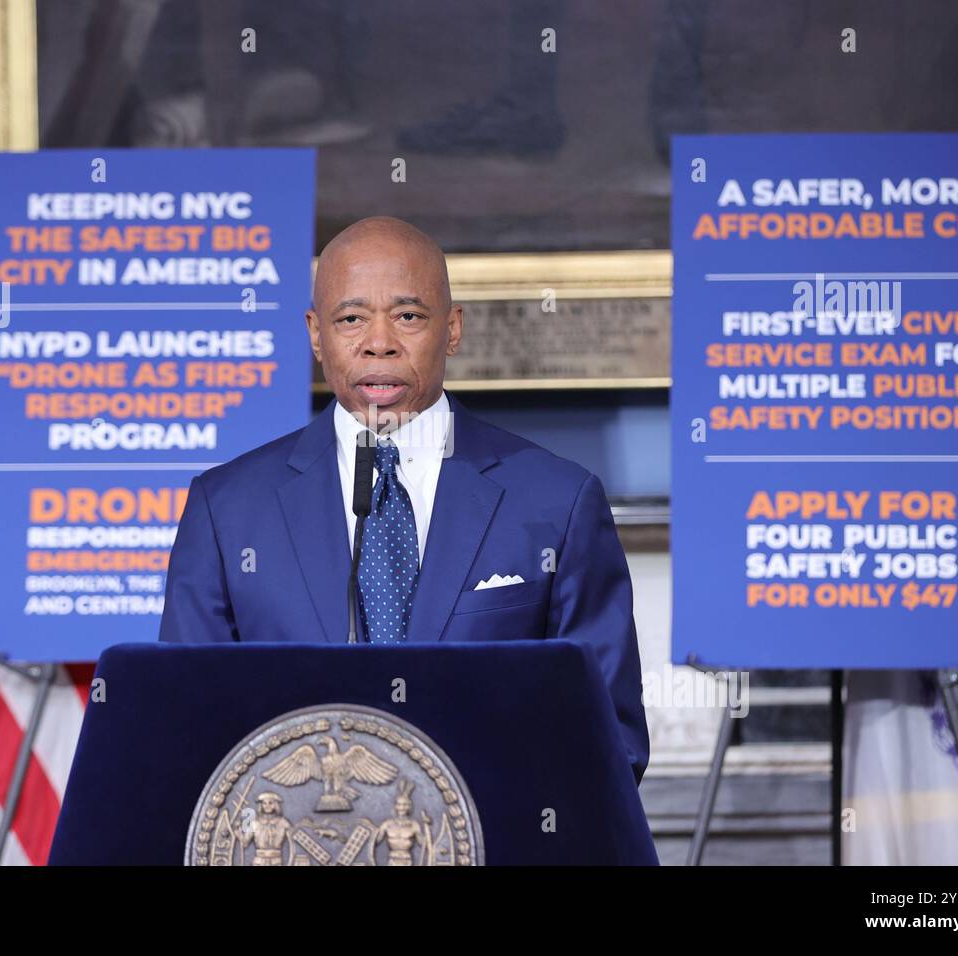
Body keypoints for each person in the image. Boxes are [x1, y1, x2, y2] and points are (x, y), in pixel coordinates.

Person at [159, 216, 649, 782]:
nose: (379, 343)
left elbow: (609, 740)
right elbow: (185, 727)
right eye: (351, 319)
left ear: (454, 328)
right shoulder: (227, 511)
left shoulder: (557, 501)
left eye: (409, 316)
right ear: (316, 334)